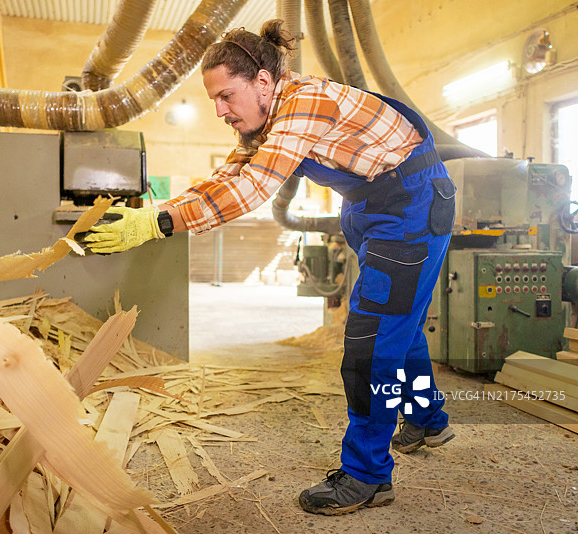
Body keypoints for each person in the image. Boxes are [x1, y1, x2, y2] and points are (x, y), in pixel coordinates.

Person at [83, 19, 456, 515]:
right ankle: (429, 420)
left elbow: (251, 189)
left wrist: (162, 223)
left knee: (371, 342)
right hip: (373, 207)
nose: (219, 110)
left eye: (226, 96)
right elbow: (227, 176)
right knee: (399, 326)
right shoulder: (268, 117)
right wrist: (155, 211)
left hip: (409, 207)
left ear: (263, 82)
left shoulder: (302, 104)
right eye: (213, 99)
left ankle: (368, 476)